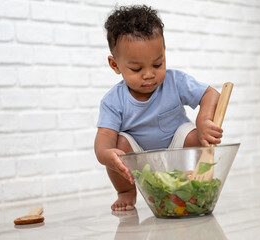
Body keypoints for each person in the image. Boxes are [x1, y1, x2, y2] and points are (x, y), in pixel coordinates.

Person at [94, 5, 223, 211]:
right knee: (119, 145)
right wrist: (106, 154)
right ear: (115, 65)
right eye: (136, 68)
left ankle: (194, 184)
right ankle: (126, 191)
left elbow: (212, 94)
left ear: (164, 53)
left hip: (177, 148)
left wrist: (203, 120)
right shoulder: (113, 101)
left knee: (195, 135)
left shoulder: (175, 81)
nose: (149, 74)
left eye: (157, 64)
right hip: (140, 156)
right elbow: (104, 139)